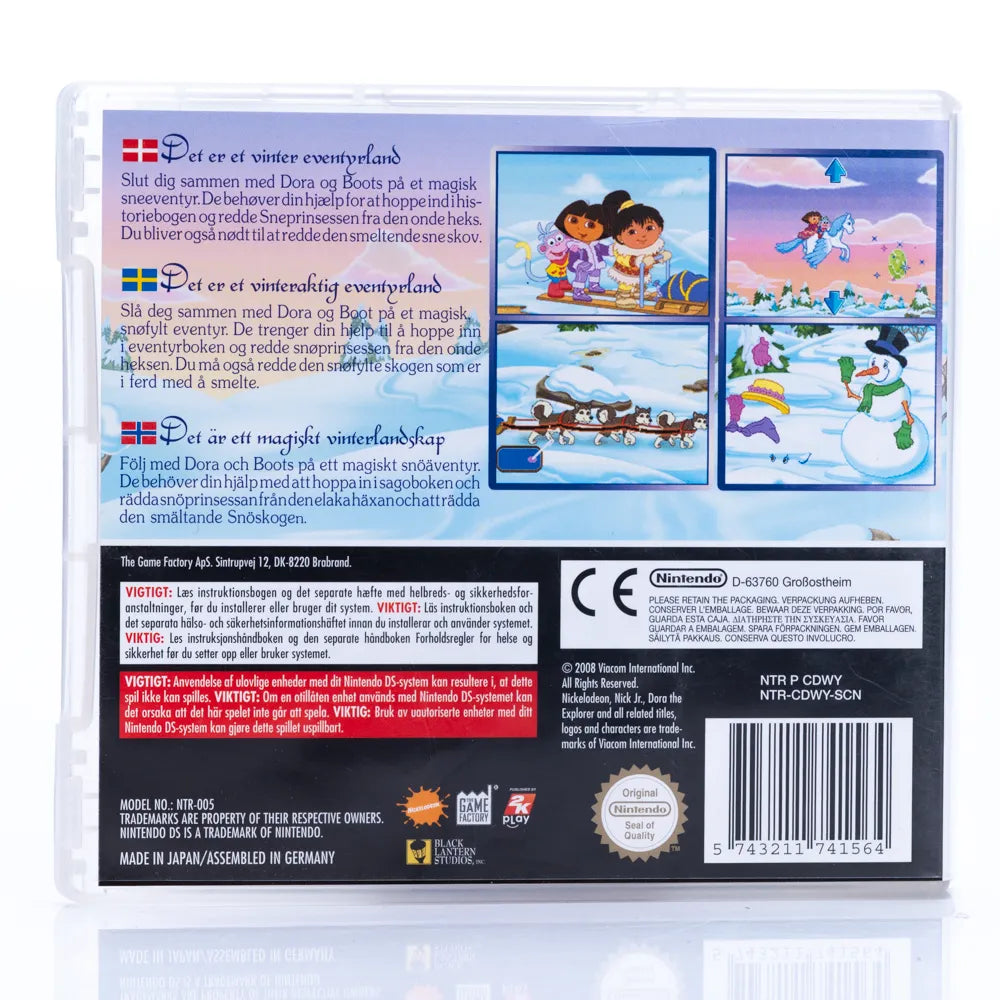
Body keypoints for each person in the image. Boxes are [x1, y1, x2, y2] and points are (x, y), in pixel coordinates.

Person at [603, 189, 670, 309]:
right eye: (632, 232)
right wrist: (638, 260)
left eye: (649, 228)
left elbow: (652, 258)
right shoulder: (622, 250)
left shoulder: (651, 247)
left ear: (660, 229)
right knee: (626, 284)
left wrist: (661, 256)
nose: (642, 235)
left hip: (642, 272)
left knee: (641, 282)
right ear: (620, 237)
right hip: (626, 272)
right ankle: (623, 296)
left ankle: (639, 290)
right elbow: (625, 260)